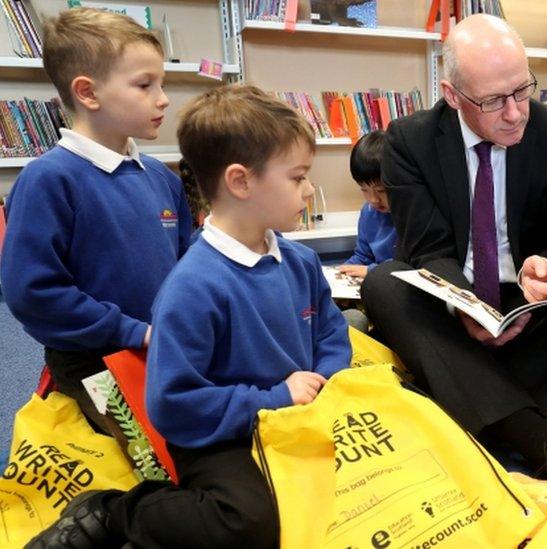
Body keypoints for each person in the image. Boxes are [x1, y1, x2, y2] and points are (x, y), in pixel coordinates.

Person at [27, 85, 352, 548]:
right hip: (224, 433)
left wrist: (325, 381)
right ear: (241, 182)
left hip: (301, 411)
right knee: (250, 523)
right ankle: (117, 512)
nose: (309, 189)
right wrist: (276, 397)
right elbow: (175, 405)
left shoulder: (300, 262)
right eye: (298, 177)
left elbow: (331, 335)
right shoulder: (192, 288)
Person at [361, 14, 547, 487]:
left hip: (532, 305)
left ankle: (463, 398)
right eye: (494, 101)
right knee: (382, 283)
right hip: (452, 303)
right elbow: (426, 248)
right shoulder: (409, 141)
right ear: (452, 95)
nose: (516, 113)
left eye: (522, 90)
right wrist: (464, 306)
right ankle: (535, 438)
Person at [0, 8, 192, 434]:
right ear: (88, 93)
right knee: (159, 458)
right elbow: (35, 294)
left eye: (161, 84)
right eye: (145, 85)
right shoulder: (48, 180)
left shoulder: (161, 178)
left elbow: (187, 262)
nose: (162, 99)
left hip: (164, 342)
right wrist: (130, 331)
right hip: (94, 360)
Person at [338, 130, 396, 278]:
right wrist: (343, 271)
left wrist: (371, 271)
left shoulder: (412, 214)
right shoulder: (368, 212)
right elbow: (363, 256)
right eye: (364, 190)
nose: (373, 199)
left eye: (381, 190)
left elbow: (409, 264)